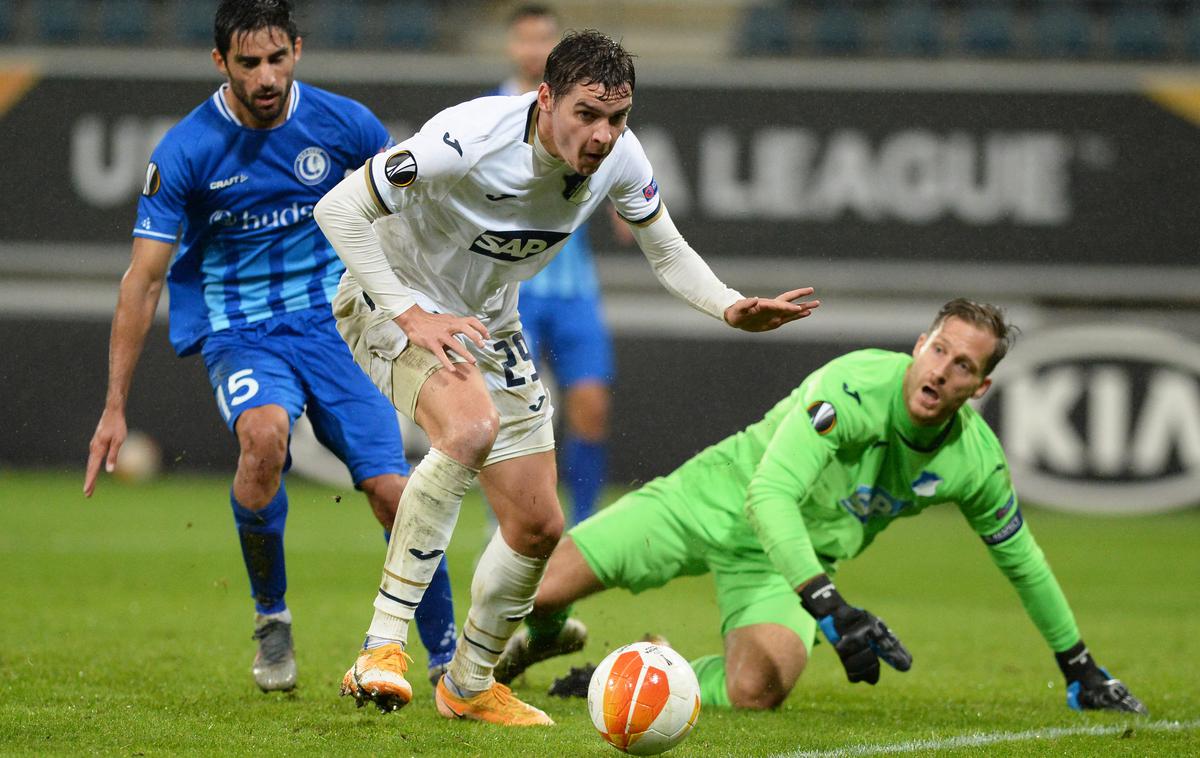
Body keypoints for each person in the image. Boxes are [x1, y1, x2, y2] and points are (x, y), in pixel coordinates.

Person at [313, 29, 820, 726]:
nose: (604, 134)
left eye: (618, 118)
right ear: (544, 99)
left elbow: (666, 250)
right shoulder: (468, 137)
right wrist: (409, 313)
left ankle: (467, 684)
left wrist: (729, 305)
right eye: (587, 114)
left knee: (537, 523)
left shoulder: (620, 159)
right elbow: (337, 208)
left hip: (487, 321)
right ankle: (380, 648)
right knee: (469, 429)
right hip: (391, 300)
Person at [495, 299, 1148, 716]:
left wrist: (1080, 667)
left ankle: (637, 673)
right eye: (940, 350)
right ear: (920, 344)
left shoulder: (974, 462)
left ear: (982, 387)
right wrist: (830, 607)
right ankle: (547, 639)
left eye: (964, 366)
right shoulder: (855, 385)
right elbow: (768, 496)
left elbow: (1023, 562)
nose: (944, 370)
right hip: (710, 500)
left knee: (758, 691)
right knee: (539, 588)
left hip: (788, 563)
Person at [82, 0, 455, 694]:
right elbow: (143, 281)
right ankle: (271, 616)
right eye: (248, 62)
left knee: (394, 494)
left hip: (337, 327)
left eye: (277, 58)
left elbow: (410, 221)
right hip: (240, 329)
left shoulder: (344, 126)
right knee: (263, 437)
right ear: (220, 62)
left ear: (298, 51)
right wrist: (113, 405)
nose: (265, 75)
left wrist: (422, 309)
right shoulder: (187, 151)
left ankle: (445, 658)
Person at [492, 4, 615, 527]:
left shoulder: (585, 111)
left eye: (544, 38)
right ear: (511, 47)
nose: (535, 49)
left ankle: (582, 526)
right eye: (526, 39)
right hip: (512, 289)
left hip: (574, 288)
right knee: (503, 416)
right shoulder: (492, 112)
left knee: (591, 406)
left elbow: (617, 170)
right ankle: (505, 520)